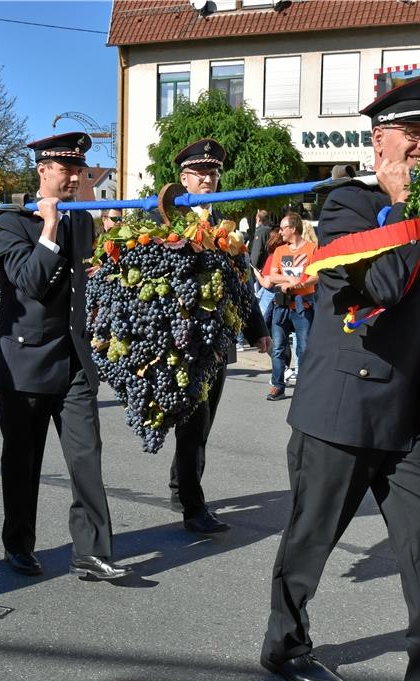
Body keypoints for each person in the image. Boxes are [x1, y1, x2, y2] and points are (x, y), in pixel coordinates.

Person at [260, 76, 420, 681]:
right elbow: (382, 288)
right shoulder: (348, 205)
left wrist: (411, 210)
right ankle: (284, 644)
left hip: (403, 414)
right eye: (412, 132)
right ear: (380, 140)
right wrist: (399, 208)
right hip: (341, 411)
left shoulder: (416, 211)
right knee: (310, 538)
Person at [0, 132, 129, 582]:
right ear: (42, 171)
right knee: (23, 462)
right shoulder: (12, 222)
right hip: (25, 363)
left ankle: (90, 551)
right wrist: (48, 228)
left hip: (74, 361)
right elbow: (30, 282)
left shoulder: (83, 221)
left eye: (79, 169)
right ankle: (18, 544)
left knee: (86, 458)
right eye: (64, 168)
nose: (73, 177)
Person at [164, 138, 270, 535]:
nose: (208, 178)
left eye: (213, 173)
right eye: (200, 172)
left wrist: (256, 328)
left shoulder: (226, 224)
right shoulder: (170, 219)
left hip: (220, 338)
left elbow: (240, 280)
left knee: (203, 423)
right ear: (184, 177)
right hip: (186, 338)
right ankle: (194, 506)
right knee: (194, 419)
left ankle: (182, 483)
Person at [264, 212, 316, 401]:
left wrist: (299, 285)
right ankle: (278, 386)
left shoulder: (312, 249)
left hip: (303, 305)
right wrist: (288, 278)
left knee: (304, 348)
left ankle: (304, 388)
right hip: (282, 305)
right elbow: (272, 276)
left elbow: (316, 275)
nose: (280, 232)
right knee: (278, 347)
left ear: (293, 229)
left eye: (283, 228)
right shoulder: (279, 251)